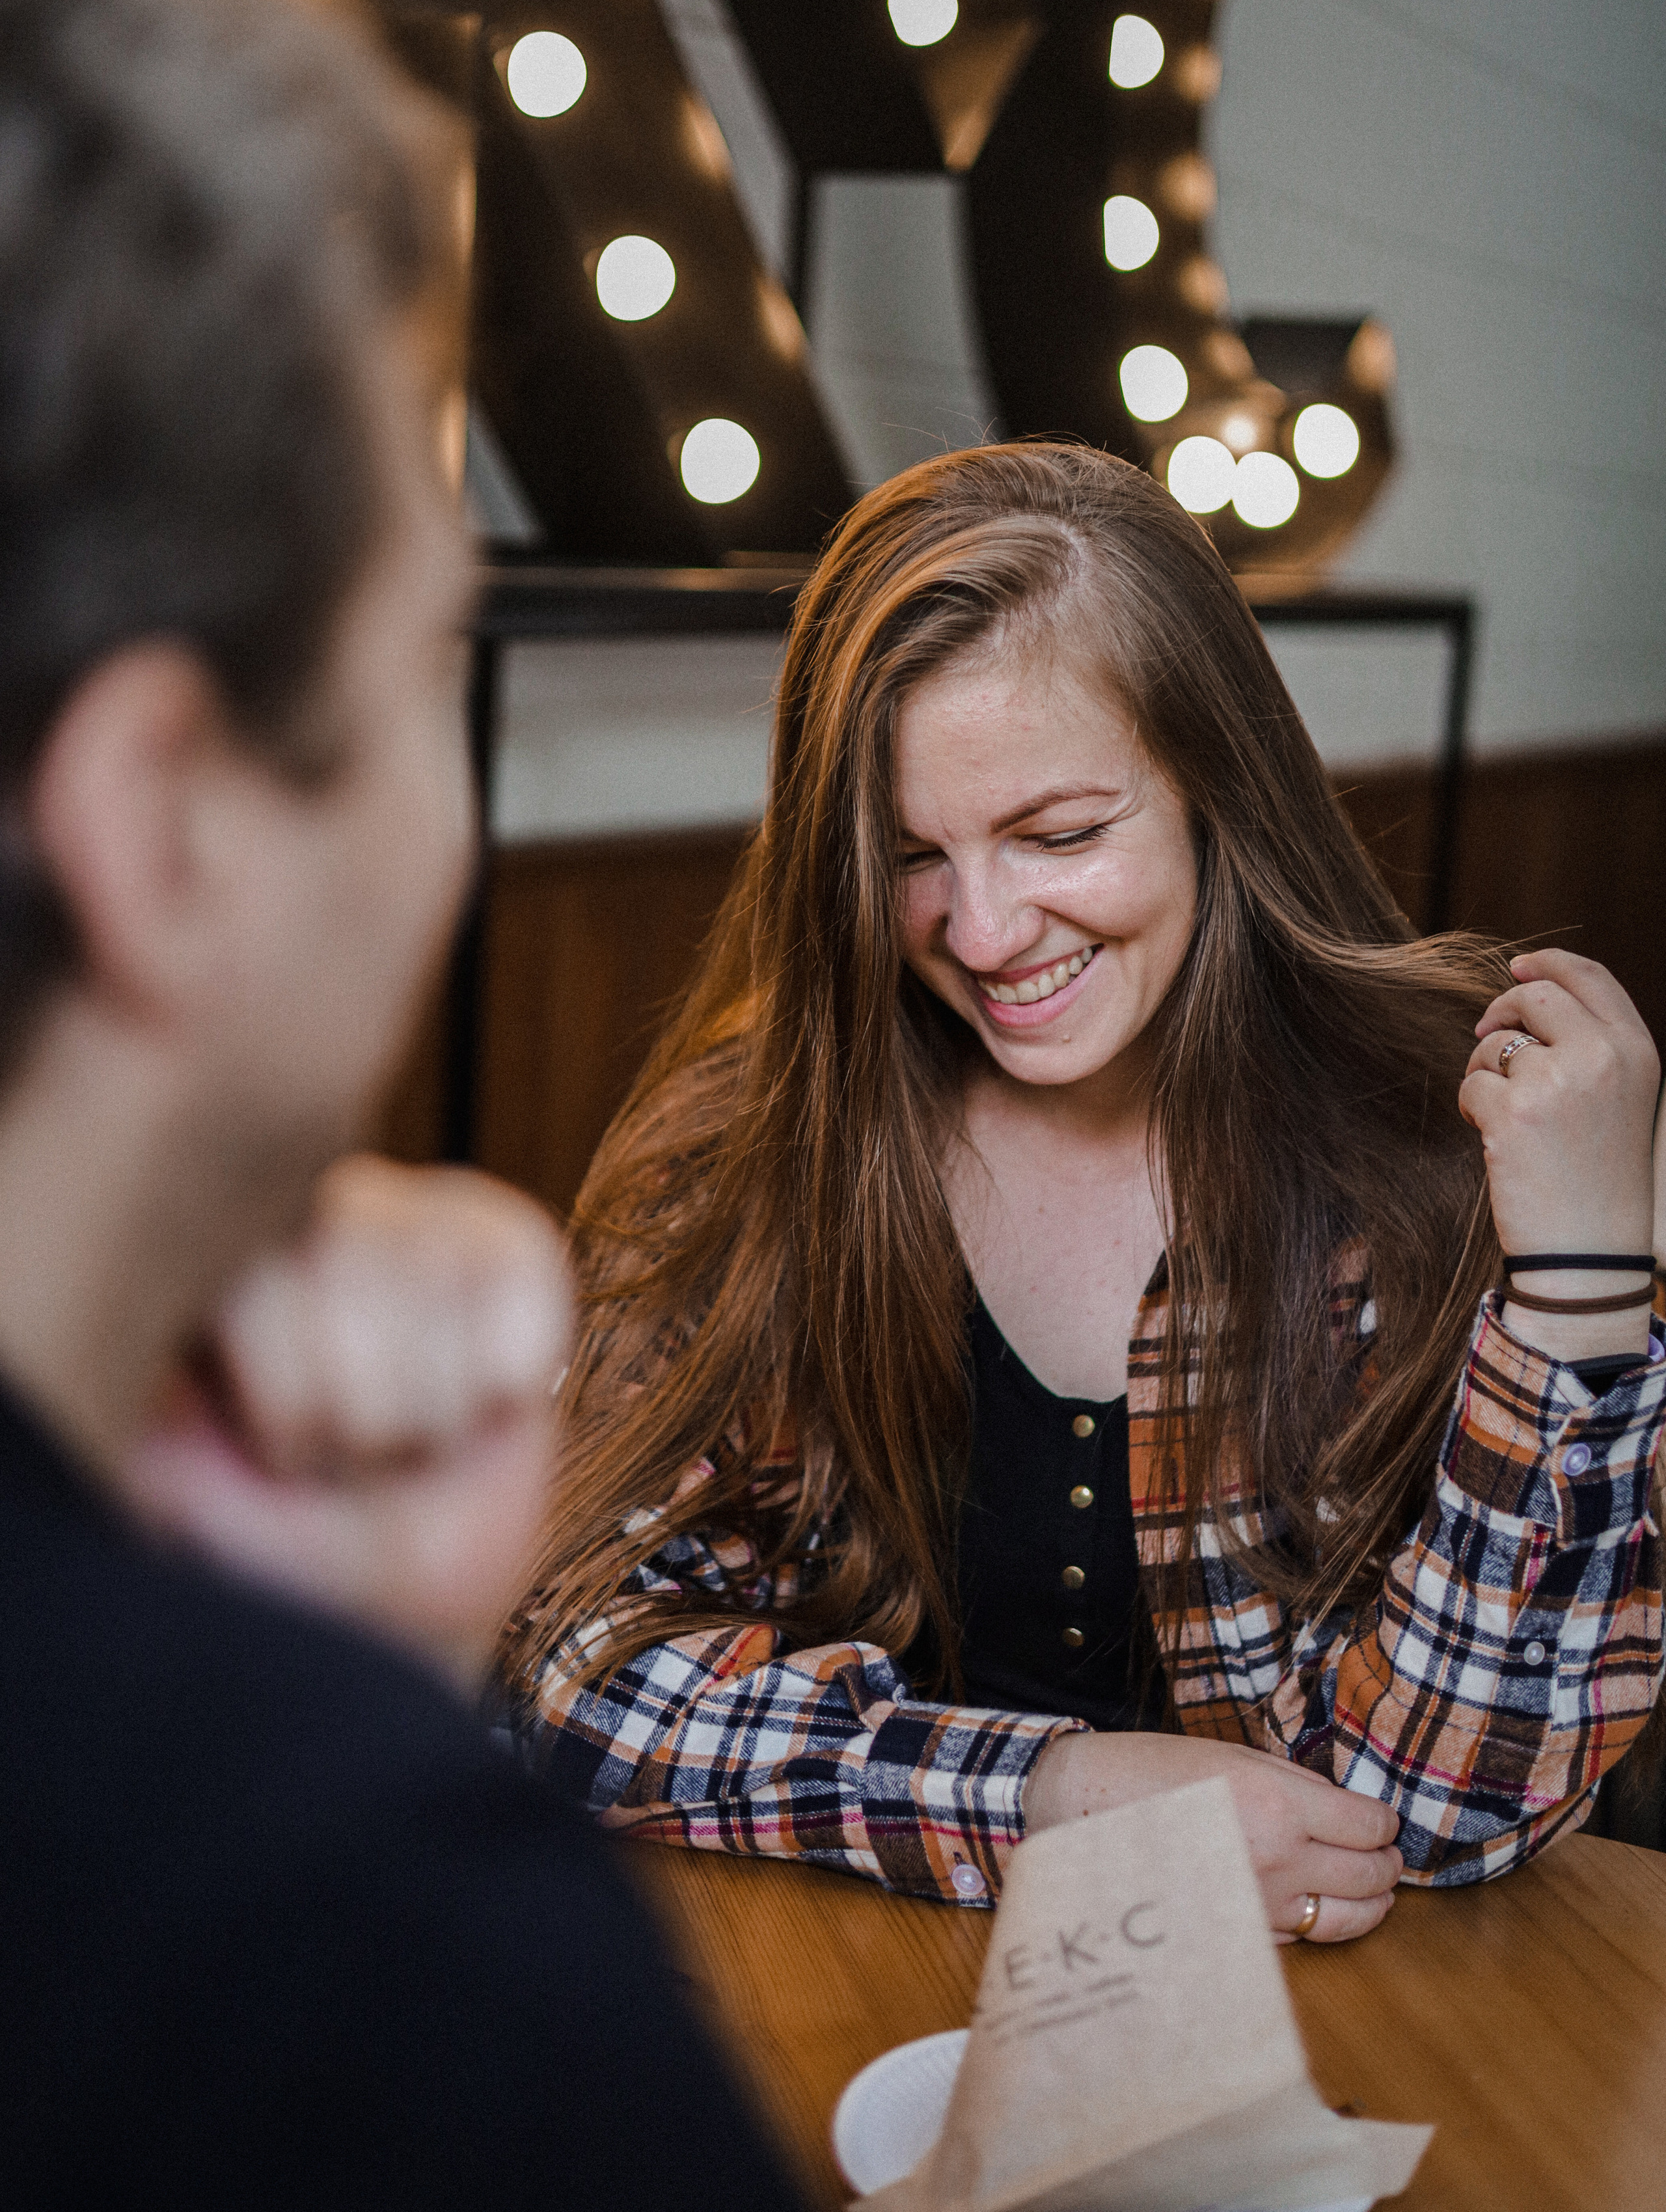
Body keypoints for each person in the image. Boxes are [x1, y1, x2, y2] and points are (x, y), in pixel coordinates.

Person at [0, 0, 800, 2209]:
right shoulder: (368, 1969)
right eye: (418, 666)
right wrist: (309, 1757)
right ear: (165, 823)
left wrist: (329, 1660)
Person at [503, 440, 1666, 1945]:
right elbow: (558, 1657)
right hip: (867, 1980)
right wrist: (1049, 1798)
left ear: (1215, 791)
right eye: (911, 854)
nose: (980, 933)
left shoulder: (1434, 1154)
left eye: (1057, 836)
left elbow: (1438, 1812)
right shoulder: (743, 1140)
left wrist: (1582, 1287)